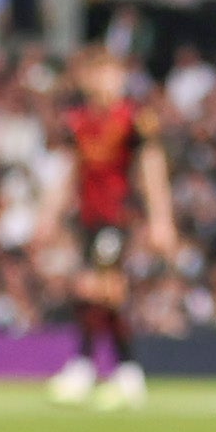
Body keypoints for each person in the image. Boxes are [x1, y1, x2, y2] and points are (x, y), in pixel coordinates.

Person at [49, 44, 175, 407]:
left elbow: (151, 168)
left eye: (115, 73)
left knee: (98, 286)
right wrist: (50, 216)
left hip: (118, 213)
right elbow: (69, 171)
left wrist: (160, 219)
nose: (109, 81)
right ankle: (124, 373)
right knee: (104, 292)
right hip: (87, 216)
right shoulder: (78, 122)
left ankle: (91, 366)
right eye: (101, 73)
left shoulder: (133, 119)